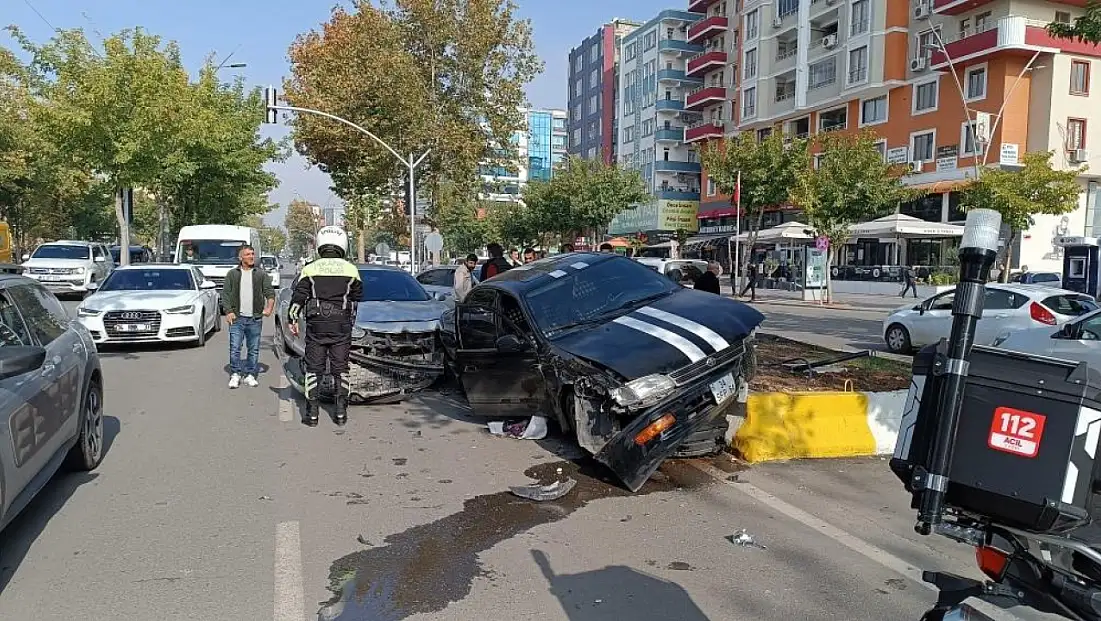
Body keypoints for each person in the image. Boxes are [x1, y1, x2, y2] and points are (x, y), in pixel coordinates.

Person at [288, 226, 363, 427]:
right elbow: (358, 296)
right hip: (341, 325)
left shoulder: (310, 269)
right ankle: (340, 413)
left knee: (314, 369)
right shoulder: (351, 270)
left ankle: (312, 415)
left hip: (316, 326)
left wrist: (292, 321)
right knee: (340, 369)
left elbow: (297, 299)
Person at [222, 245, 276, 389]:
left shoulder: (260, 274)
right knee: (235, 348)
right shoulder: (232, 274)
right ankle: (235, 374)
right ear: (241, 258)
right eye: (248, 254)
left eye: (252, 254)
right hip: (237, 318)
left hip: (255, 318)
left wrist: (269, 308)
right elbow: (225, 294)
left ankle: (250, 374)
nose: (251, 256)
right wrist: (228, 311)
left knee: (253, 348)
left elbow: (270, 292)